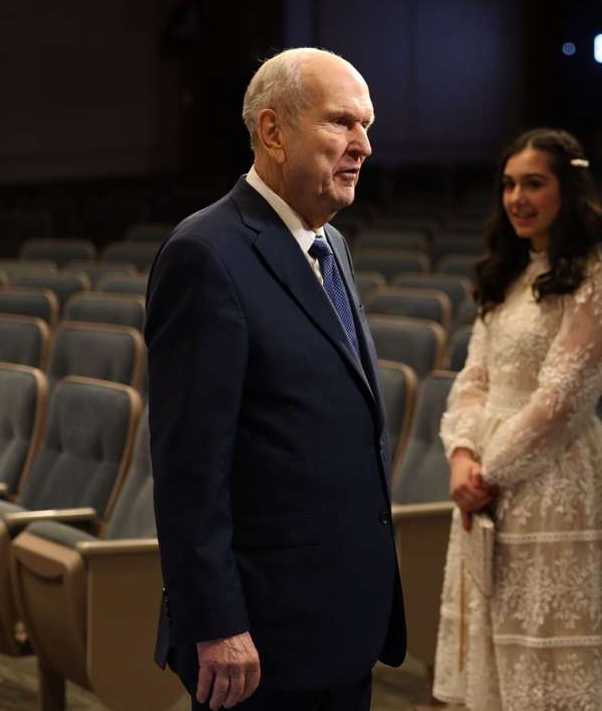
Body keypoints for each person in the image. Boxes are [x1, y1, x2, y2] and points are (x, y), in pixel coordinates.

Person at [147, 47, 406, 711]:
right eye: (342, 123)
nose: (363, 146)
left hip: (340, 621)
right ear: (271, 130)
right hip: (261, 636)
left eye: (368, 126)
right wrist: (216, 622)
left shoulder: (331, 243)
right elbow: (189, 468)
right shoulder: (206, 253)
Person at [431, 128, 602, 710]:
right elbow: (474, 381)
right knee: (495, 657)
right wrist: (461, 456)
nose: (517, 198)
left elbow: (560, 403)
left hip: (557, 483)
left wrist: (487, 473)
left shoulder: (598, 282)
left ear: (568, 191)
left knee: (549, 665)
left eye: (534, 184)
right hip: (488, 485)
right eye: (509, 185)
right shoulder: (510, 276)